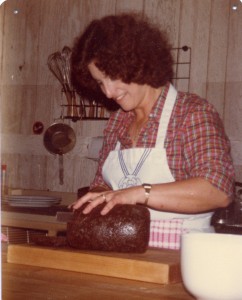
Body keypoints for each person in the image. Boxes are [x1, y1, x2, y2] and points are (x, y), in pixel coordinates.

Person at [70, 13, 235, 249]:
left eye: (112, 77)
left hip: (181, 257)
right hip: (122, 252)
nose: (107, 92)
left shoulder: (192, 113)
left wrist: (139, 193)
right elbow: (103, 183)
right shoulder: (118, 121)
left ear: (137, 64)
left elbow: (217, 191)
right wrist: (99, 194)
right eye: (99, 82)